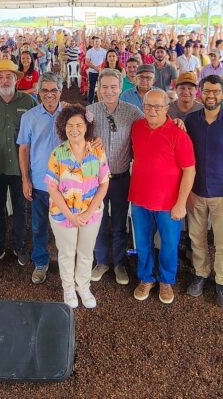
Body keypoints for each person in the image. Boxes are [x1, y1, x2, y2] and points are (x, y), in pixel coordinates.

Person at [183, 75, 223, 308]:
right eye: (207, 91)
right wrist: (186, 192)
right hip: (196, 192)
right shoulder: (191, 121)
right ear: (200, 93)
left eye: (216, 91)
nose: (211, 96)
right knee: (196, 237)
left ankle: (222, 281)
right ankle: (201, 273)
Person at [129, 89, 196, 305]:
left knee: (169, 244)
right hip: (139, 199)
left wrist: (181, 203)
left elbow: (189, 170)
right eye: (148, 106)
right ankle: (146, 278)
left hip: (169, 203)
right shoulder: (136, 127)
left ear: (167, 108)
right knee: (142, 242)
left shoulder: (178, 134)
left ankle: (166, 280)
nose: (152, 110)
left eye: (158, 106)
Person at [45, 104, 110, 308]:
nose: (74, 129)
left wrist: (89, 212)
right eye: (70, 125)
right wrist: (70, 215)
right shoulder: (57, 154)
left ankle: (83, 286)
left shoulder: (97, 151)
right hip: (63, 215)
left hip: (91, 214)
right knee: (66, 253)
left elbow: (104, 183)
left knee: (86, 252)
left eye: (79, 125)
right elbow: (52, 187)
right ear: (63, 127)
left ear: (87, 126)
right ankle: (68, 288)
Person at [0, 59, 37, 269]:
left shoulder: (28, 102)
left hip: (21, 167)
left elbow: (36, 134)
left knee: (21, 208)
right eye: (0, 77)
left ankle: (19, 246)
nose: (4, 81)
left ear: (16, 79)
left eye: (8, 76)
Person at [87, 69, 143, 286]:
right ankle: (101, 261)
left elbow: (151, 126)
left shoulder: (132, 112)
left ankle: (119, 263)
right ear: (99, 89)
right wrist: (89, 143)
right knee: (98, 221)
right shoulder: (89, 112)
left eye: (113, 87)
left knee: (119, 223)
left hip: (121, 178)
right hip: (96, 179)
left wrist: (174, 121)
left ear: (121, 88)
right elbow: (77, 138)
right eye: (104, 87)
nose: (109, 91)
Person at [16, 73, 64, 285]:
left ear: (60, 92)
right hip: (39, 182)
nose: (49, 94)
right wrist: (25, 179)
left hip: (66, 183)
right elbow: (24, 149)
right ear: (38, 92)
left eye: (54, 90)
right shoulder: (29, 117)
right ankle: (41, 262)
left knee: (66, 226)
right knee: (39, 226)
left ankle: (66, 262)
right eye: (44, 90)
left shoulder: (70, 114)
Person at [85, 36, 107, 102]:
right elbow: (87, 62)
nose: (97, 43)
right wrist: (95, 67)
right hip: (92, 72)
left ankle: (102, 102)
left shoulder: (104, 51)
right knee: (91, 87)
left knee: (102, 87)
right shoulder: (89, 51)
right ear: (93, 42)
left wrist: (100, 68)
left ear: (100, 42)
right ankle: (90, 102)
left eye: (98, 41)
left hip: (101, 72)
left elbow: (105, 62)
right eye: (96, 41)